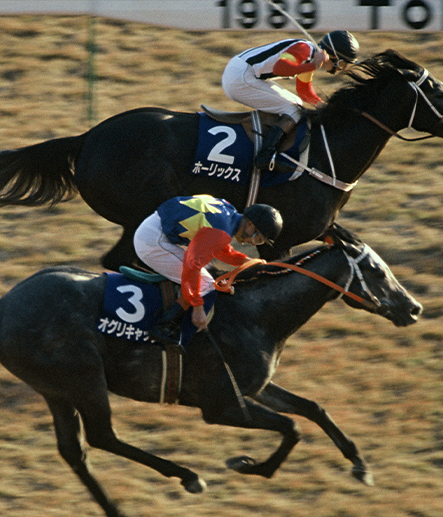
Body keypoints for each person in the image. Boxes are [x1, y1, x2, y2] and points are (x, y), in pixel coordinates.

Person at [133, 195, 283, 346]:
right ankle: (167, 330)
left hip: (154, 230)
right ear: (250, 225)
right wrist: (198, 307)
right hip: (152, 241)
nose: (253, 244)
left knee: (204, 280)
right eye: (258, 239)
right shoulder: (221, 232)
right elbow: (192, 264)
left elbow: (218, 249)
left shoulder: (227, 212)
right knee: (206, 285)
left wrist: (246, 261)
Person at [222, 30, 360, 170]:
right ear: (334, 57)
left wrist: (326, 107)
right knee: (294, 108)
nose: (343, 69)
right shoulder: (305, 49)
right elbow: (280, 68)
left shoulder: (309, 53)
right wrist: (313, 66)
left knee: (295, 103)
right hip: (239, 77)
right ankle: (265, 156)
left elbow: (304, 91)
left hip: (239, 73)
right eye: (343, 64)